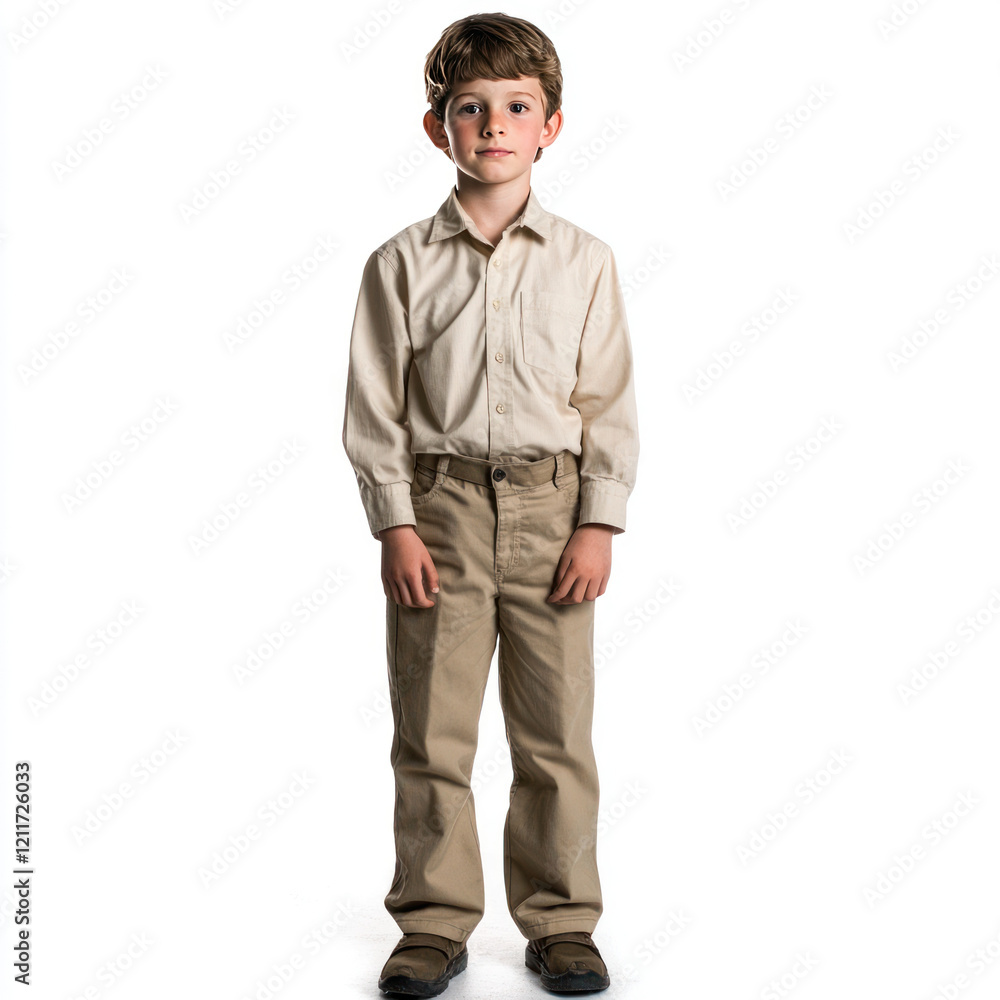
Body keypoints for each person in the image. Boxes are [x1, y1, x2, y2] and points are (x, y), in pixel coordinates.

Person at [342, 11, 639, 995]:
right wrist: (394, 522)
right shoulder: (399, 264)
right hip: (442, 516)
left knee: (556, 734)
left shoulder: (585, 260)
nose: (494, 125)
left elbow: (607, 400)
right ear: (439, 129)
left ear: (550, 125)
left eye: (517, 106)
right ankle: (433, 920)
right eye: (471, 108)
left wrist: (598, 521)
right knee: (432, 731)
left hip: (554, 515)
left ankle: (561, 919)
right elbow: (375, 405)